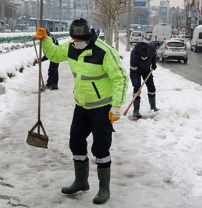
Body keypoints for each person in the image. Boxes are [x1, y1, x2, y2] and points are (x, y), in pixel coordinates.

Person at [32, 18, 129, 204]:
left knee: (100, 148)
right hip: (82, 106)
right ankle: (81, 181)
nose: (77, 43)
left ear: (88, 36)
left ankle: (104, 188)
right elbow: (55, 55)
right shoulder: (71, 47)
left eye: (80, 40)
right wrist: (45, 40)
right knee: (76, 142)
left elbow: (121, 78)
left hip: (103, 107)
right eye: (74, 40)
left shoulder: (104, 51)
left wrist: (116, 105)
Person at [130, 42, 158, 118]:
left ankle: (153, 107)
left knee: (152, 87)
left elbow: (154, 55)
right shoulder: (134, 54)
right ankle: (136, 111)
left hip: (147, 70)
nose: (144, 58)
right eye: (143, 57)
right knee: (136, 89)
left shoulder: (151, 49)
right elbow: (133, 72)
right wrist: (136, 85)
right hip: (137, 71)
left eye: (146, 57)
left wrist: (153, 63)